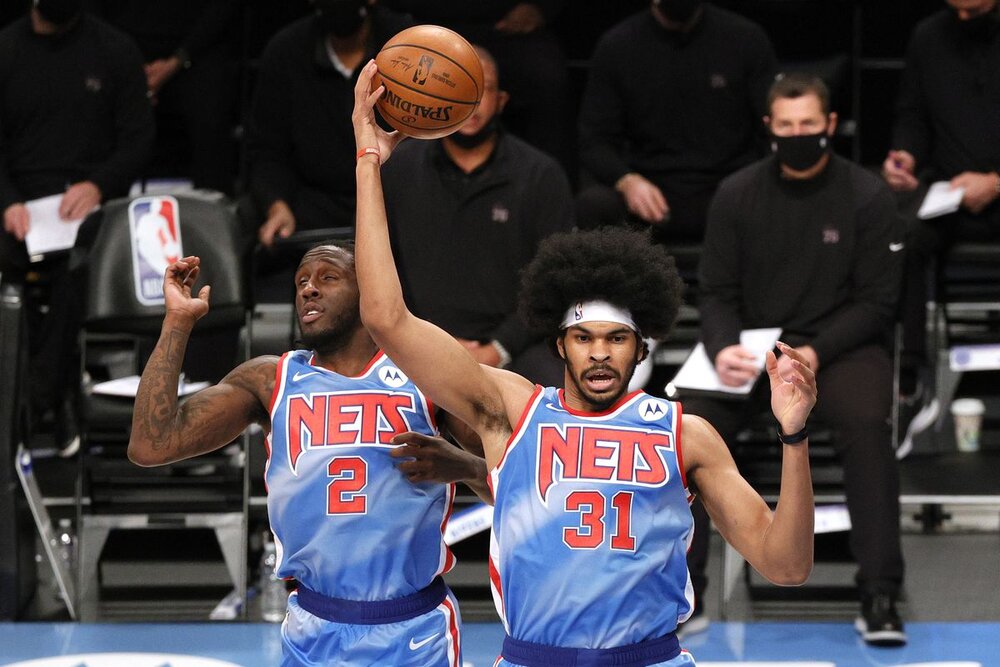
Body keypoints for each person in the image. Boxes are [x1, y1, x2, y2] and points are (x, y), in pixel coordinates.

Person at [353, 59, 817, 666]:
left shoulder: (685, 435)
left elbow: (785, 566)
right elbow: (387, 318)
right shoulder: (511, 411)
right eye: (584, 338)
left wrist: (794, 433)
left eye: (617, 339)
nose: (599, 351)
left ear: (642, 346)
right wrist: (369, 164)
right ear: (559, 346)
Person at [128, 244, 488, 666]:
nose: (309, 290)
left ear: (370, 289)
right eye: (301, 282)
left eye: (328, 278)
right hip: (313, 626)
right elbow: (150, 444)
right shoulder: (270, 379)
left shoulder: (424, 374)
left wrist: (466, 467)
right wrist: (177, 322)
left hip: (414, 627)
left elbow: (517, 479)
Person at [688, 72, 907, 646]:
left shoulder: (867, 196)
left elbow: (878, 302)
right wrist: (722, 348)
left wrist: (813, 351)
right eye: (786, 126)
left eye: (808, 124)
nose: (797, 134)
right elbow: (715, 290)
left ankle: (880, 591)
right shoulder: (737, 194)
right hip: (753, 350)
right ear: (769, 128)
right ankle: (680, 591)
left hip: (838, 348)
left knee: (867, 424)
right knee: (686, 426)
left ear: (830, 125)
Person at [0, 0, 154, 455]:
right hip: (18, 206)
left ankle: (32, 403)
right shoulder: (6, 49)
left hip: (89, 208)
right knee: (10, 279)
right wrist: (7, 201)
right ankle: (51, 394)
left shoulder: (115, 50)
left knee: (80, 271)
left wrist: (98, 184)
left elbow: (138, 137)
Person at [381, 47, 574, 387]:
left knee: (557, 390)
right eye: (458, 87)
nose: (472, 100)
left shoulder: (541, 175)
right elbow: (378, 265)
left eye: (482, 89)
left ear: (501, 100)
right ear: (435, 96)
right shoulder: (399, 167)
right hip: (412, 341)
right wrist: (419, 342)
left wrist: (497, 349)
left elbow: (554, 283)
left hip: (513, 347)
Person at [881, 0, 1000, 448]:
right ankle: (911, 380)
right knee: (901, 239)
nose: (964, 17)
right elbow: (911, 114)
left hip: (995, 185)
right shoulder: (928, 36)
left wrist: (996, 182)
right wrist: (905, 154)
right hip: (951, 189)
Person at [576, 0, 777, 244]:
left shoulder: (745, 38)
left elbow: (771, 127)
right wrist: (627, 180)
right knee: (594, 204)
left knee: (777, 199)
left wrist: (746, 185)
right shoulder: (617, 46)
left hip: (730, 188)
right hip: (648, 191)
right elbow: (594, 140)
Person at [244, 0, 412, 270]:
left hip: (395, 194)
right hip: (315, 199)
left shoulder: (407, 43)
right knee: (250, 219)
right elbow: (266, 148)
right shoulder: (286, 49)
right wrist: (276, 204)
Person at [382, 0, 575, 180]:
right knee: (384, 74)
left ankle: (551, 186)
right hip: (419, 22)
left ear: (502, 100)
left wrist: (541, 8)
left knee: (547, 75)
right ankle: (394, 181)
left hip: (503, 27)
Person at [90, 0, 242, 195]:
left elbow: (222, 10)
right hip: (118, 48)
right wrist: (130, 66)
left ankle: (213, 212)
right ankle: (94, 204)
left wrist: (177, 61)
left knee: (211, 109)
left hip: (195, 52)